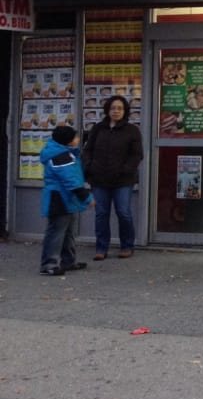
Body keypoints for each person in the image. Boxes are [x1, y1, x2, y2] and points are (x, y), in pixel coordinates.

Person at [82, 95, 144, 260]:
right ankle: (101, 248)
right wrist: (89, 166)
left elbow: (137, 155)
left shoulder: (132, 130)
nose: (116, 111)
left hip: (122, 180)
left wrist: (125, 170)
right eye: (113, 108)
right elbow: (87, 150)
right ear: (107, 110)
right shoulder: (98, 129)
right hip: (99, 179)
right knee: (101, 214)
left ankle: (127, 246)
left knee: (123, 212)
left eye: (120, 108)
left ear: (125, 111)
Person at [39, 126, 94, 276]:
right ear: (68, 141)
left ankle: (68, 261)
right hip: (59, 199)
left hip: (65, 199)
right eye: (75, 137)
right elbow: (70, 180)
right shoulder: (61, 156)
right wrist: (86, 197)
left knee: (68, 232)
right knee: (56, 232)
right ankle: (49, 264)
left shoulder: (65, 154)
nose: (78, 139)